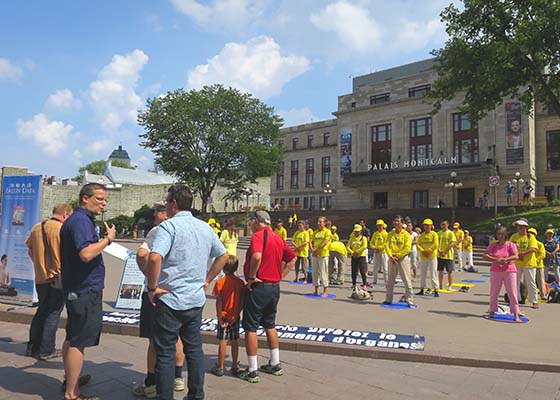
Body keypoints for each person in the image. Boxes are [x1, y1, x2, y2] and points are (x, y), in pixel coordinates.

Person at [147, 185, 228, 400]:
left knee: (165, 352)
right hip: (195, 298)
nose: (165, 205)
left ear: (174, 203)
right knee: (194, 350)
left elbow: (154, 258)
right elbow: (223, 256)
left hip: (170, 298)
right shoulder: (204, 227)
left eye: (166, 201)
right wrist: (207, 279)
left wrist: (152, 288)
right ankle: (196, 394)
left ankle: (164, 395)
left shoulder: (168, 227)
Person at [60, 183, 116, 400]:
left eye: (105, 200)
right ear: (85, 198)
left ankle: (70, 379)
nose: (104, 203)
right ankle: (72, 393)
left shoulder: (77, 219)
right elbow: (85, 253)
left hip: (77, 287)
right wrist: (107, 239)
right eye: (99, 199)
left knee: (73, 336)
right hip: (84, 289)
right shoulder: (81, 221)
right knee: (79, 341)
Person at [133, 202, 185, 398]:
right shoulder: (184, 229)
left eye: (156, 212)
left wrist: (147, 274)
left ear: (163, 214)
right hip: (179, 291)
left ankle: (151, 382)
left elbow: (142, 254)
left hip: (158, 290)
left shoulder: (158, 230)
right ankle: (178, 377)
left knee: (154, 338)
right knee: (178, 335)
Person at [239, 210, 296, 383]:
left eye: (252, 221)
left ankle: (252, 369)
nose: (251, 224)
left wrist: (251, 277)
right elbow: (292, 258)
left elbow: (256, 256)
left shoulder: (258, 236)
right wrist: (281, 275)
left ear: (257, 221)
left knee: (251, 327)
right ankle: (275, 362)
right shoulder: (278, 237)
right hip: (274, 287)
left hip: (259, 286)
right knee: (270, 324)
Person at [25, 203, 73, 360]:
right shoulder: (61, 229)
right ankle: (47, 350)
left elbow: (30, 250)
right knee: (54, 312)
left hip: (40, 277)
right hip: (56, 277)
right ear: (65, 214)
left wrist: (40, 265)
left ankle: (32, 347)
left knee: (41, 311)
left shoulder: (36, 227)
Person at [211, 255, 245, 377]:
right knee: (235, 340)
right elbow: (241, 301)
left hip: (224, 315)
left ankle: (220, 366)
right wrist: (236, 314)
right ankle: (235, 365)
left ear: (223, 268)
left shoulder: (220, 283)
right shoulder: (240, 283)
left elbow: (218, 301)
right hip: (234, 316)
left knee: (223, 341)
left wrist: (219, 317)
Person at [484, 227, 521, 322]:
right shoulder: (493, 245)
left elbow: (516, 256)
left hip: (509, 270)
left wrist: (505, 259)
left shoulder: (511, 245)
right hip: (496, 270)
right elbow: (485, 255)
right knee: (494, 292)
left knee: (512, 292)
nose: (499, 236)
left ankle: (516, 313)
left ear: (505, 235)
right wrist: (495, 260)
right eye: (498, 234)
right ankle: (492, 311)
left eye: (501, 234)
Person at [383, 215, 414, 306]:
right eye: (395, 221)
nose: (396, 223)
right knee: (390, 280)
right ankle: (388, 299)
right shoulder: (390, 234)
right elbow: (387, 245)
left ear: (402, 223)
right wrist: (391, 256)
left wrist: (399, 255)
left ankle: (410, 299)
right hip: (392, 259)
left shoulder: (406, 235)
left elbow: (408, 248)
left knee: (406, 279)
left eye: (398, 221)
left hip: (402, 258)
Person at [509, 219, 539, 308]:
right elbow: (510, 246)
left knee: (531, 282)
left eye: (521, 226)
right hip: (517, 263)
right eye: (518, 226)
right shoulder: (514, 236)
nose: (519, 228)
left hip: (529, 263)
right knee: (515, 282)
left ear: (526, 227)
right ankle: (516, 300)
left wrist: (523, 253)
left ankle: (534, 300)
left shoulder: (531, 237)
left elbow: (534, 248)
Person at [416, 218, 439, 297]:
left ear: (431, 226)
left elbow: (436, 244)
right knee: (423, 274)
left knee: (433, 273)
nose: (426, 227)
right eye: (425, 225)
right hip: (423, 256)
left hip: (432, 256)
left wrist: (428, 250)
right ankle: (422, 289)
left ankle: (435, 290)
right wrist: (423, 251)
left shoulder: (434, 234)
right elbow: (418, 244)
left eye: (427, 225)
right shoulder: (422, 235)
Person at [311, 216, 332, 298]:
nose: (318, 223)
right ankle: (316, 290)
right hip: (315, 254)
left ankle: (325, 291)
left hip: (323, 254)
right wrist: (312, 250)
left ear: (325, 223)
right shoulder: (315, 232)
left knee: (323, 272)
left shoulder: (327, 232)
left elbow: (324, 242)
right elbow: (311, 241)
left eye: (320, 222)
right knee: (315, 272)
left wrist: (317, 250)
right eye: (318, 222)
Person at [437, 219, 457, 291]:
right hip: (440, 255)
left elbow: (452, 243)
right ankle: (440, 284)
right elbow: (436, 243)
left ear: (448, 225)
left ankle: (450, 285)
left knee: (449, 271)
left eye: (444, 224)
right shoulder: (438, 233)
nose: (443, 226)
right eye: (442, 224)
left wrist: (445, 251)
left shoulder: (450, 233)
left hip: (448, 255)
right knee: (440, 271)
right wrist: (439, 250)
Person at [347, 224, 368, 289]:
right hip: (354, 256)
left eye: (358, 231)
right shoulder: (352, 238)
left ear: (361, 231)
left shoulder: (363, 238)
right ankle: (354, 284)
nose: (356, 232)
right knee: (354, 271)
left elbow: (365, 246)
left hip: (361, 256)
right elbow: (347, 246)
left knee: (362, 271)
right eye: (355, 231)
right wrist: (352, 252)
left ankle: (364, 284)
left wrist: (358, 251)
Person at [529, 228, 548, 300]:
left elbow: (543, 254)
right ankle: (526, 294)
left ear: (535, 235)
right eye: (529, 233)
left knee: (540, 281)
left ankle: (543, 295)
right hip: (529, 265)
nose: (531, 234)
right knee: (528, 281)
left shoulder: (540, 244)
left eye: (532, 233)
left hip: (539, 265)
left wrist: (536, 260)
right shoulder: (528, 243)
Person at [370, 219, 388, 284]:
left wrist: (379, 248)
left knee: (385, 267)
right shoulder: (375, 233)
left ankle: (387, 281)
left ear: (383, 226)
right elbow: (371, 242)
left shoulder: (386, 234)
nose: (379, 227)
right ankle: (375, 280)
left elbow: (386, 243)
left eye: (380, 225)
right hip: (376, 251)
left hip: (383, 252)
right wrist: (374, 247)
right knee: (375, 266)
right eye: (378, 225)